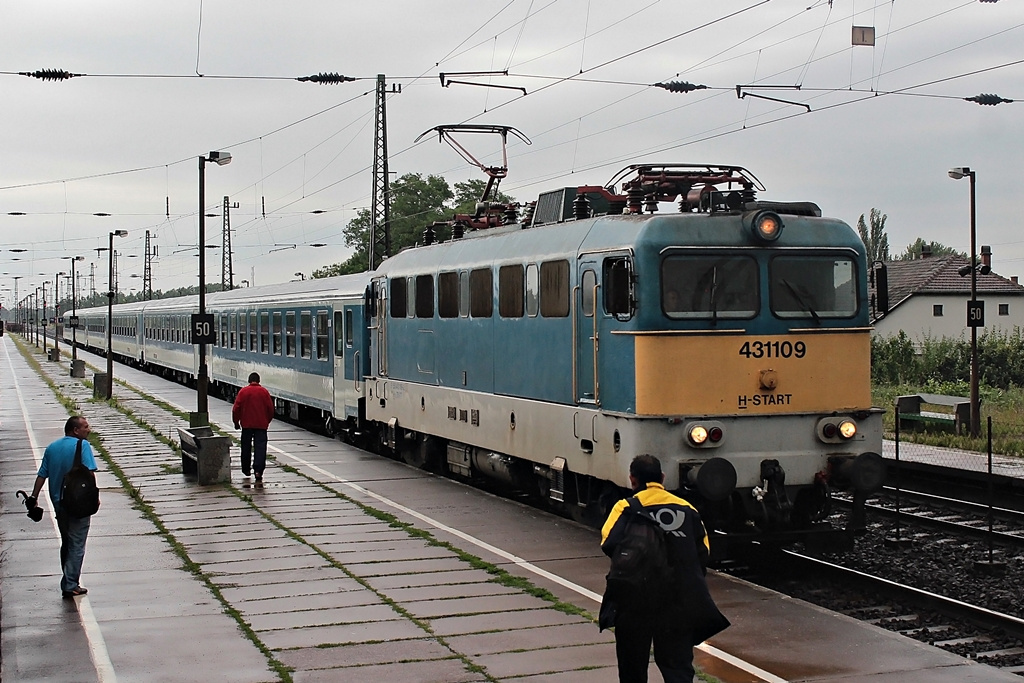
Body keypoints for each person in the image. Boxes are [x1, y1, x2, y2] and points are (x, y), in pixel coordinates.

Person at [600, 454, 729, 683]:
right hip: (677, 602)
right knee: (677, 667)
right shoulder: (687, 509)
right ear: (662, 477)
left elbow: (608, 543)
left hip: (633, 600)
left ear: (633, 480)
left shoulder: (626, 507)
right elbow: (703, 552)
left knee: (632, 667)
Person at [29, 416, 98, 599]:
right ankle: (70, 584)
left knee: (67, 542)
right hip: (78, 503)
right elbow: (89, 473)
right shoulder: (82, 446)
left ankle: (68, 579)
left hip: (58, 503)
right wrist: (94, 497)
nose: (88, 429)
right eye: (85, 426)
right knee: (77, 543)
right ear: (75, 430)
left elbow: (42, 475)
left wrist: (34, 497)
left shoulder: (52, 447)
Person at [232, 372, 275, 481]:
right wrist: (267, 421)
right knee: (260, 448)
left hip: (246, 425)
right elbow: (270, 409)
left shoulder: (243, 391)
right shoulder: (264, 392)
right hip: (261, 425)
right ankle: (258, 471)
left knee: (246, 447)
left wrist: (236, 422)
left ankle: (246, 469)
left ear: (249, 380)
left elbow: (236, 408)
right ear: (259, 381)